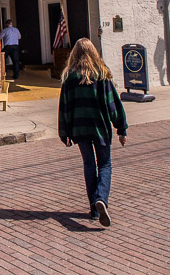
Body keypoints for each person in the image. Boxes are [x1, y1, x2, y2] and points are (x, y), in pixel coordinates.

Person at [58, 38, 127, 227]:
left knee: (89, 165)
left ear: (75, 54)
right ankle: (101, 200)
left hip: (79, 128)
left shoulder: (69, 78)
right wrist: (121, 128)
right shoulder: (102, 75)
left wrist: (64, 132)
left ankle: (94, 210)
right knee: (104, 165)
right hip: (100, 128)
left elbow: (65, 107)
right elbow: (113, 105)